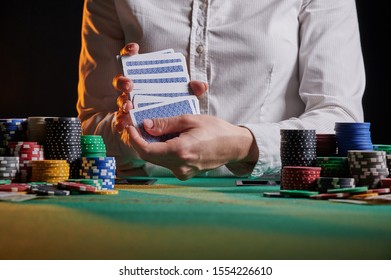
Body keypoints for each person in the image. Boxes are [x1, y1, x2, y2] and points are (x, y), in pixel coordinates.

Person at [77, 0, 365, 180]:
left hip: (274, 196)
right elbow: (91, 124)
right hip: (145, 197)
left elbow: (341, 118)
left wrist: (241, 144)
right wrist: (127, 131)